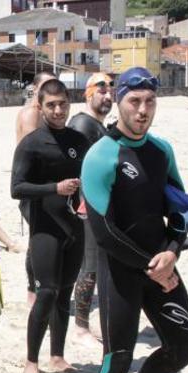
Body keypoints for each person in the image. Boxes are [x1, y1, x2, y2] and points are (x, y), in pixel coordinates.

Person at [81, 67, 188, 373]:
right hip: (122, 271)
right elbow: (103, 232)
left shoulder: (161, 151)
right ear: (118, 102)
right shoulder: (102, 155)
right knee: (116, 360)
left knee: (184, 349)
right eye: (134, 101)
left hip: (161, 265)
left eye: (149, 102)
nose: (143, 110)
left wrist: (173, 251)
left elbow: (181, 212)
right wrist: (155, 265)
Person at [11, 79, 90, 373]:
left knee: (64, 293)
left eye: (63, 104)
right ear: (40, 106)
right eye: (51, 105)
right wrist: (54, 188)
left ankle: (57, 356)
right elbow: (16, 188)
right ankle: (32, 361)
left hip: (74, 226)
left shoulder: (79, 141)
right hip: (46, 227)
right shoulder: (32, 144)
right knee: (46, 292)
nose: (58, 111)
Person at [67, 72, 114, 346]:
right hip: (86, 208)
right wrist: (79, 203)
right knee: (90, 266)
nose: (107, 95)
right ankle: (80, 327)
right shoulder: (82, 125)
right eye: (101, 90)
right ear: (88, 94)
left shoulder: (98, 126)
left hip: (99, 206)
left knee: (95, 266)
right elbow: (71, 164)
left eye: (110, 91)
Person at [15, 71, 56, 307]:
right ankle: (33, 291)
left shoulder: (42, 113)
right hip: (33, 186)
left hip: (41, 186)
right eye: (47, 85)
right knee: (38, 240)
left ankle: (39, 288)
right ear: (35, 89)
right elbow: (35, 149)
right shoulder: (32, 113)